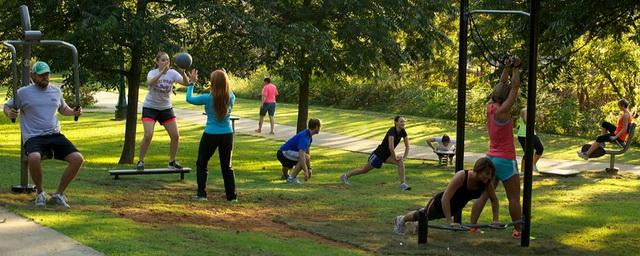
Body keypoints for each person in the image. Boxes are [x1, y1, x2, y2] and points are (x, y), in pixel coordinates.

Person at [3, 61, 84, 208]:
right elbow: (7, 107)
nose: (45, 77)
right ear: (33, 76)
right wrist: (10, 113)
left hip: (54, 134)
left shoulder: (56, 91)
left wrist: (74, 112)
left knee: (77, 158)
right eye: (41, 75)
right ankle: (40, 193)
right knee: (34, 157)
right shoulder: (23, 93)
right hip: (34, 137)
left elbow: (63, 109)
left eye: (46, 74)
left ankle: (58, 194)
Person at [470, 56, 523, 239]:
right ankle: (519, 231)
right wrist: (517, 67)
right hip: (505, 160)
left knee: (484, 195)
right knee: (514, 198)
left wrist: (507, 67)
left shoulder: (490, 107)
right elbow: (514, 88)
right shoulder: (502, 111)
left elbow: (503, 83)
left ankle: (473, 226)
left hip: (490, 158)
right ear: (505, 96)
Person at [393, 157, 499, 234]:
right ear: (479, 169)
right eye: (487, 173)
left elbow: (494, 200)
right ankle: (401, 219)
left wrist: (495, 220)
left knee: (425, 218)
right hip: (439, 204)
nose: (489, 177)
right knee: (423, 215)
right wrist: (450, 222)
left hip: (453, 208)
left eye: (491, 174)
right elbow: (446, 198)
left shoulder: (486, 183)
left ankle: (417, 224)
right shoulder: (462, 176)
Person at [186, 69, 238, 201]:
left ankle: (201, 194)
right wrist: (224, 76)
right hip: (227, 134)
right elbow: (226, 91)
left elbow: (189, 98)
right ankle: (232, 197)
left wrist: (192, 83)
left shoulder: (207, 98)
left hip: (210, 134)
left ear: (213, 83)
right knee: (227, 166)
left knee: (202, 163)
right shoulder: (231, 97)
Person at [136, 51, 188, 171]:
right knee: (148, 135)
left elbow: (186, 83)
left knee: (175, 136)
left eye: (167, 60)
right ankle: (140, 161)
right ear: (157, 61)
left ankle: (172, 162)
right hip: (150, 108)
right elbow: (149, 83)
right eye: (163, 60)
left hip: (166, 108)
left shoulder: (172, 73)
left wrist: (183, 72)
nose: (166, 62)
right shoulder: (152, 73)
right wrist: (161, 74)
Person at [340, 115, 411, 191]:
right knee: (364, 170)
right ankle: (345, 176)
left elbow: (407, 146)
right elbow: (391, 147)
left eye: (404, 121)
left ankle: (403, 184)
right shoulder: (392, 131)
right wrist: (395, 157)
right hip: (379, 155)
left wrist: (404, 157)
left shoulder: (403, 131)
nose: (403, 123)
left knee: (400, 162)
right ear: (396, 122)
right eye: (401, 121)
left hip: (387, 156)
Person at [277, 118, 321, 184]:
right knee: (304, 158)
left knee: (303, 158)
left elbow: (307, 153)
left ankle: (285, 175)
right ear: (317, 127)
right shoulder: (305, 137)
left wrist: (309, 168)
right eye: (320, 126)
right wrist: (306, 172)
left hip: (282, 152)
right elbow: (302, 157)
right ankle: (292, 178)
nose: (320, 128)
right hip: (284, 153)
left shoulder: (308, 136)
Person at [517, 105, 544, 171]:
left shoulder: (531, 112)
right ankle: (523, 170)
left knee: (540, 148)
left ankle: (533, 164)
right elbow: (526, 121)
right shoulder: (524, 110)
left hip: (532, 134)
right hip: (523, 135)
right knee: (527, 153)